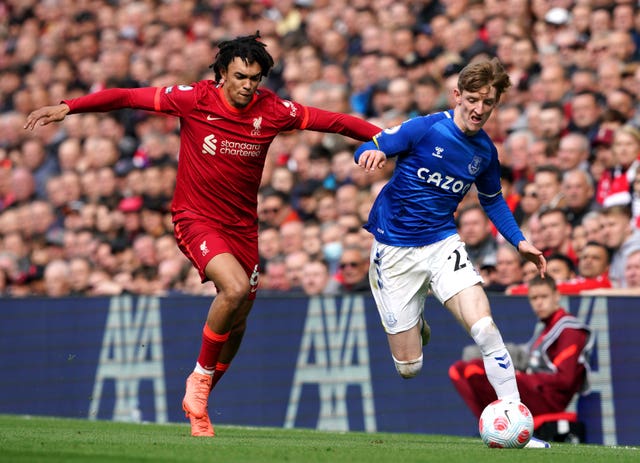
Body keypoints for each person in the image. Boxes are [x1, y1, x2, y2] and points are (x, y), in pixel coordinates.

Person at [25, 32, 381, 437]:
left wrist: (386, 138)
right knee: (232, 289)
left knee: (240, 319)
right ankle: (197, 381)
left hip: (243, 227)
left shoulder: (274, 110)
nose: (249, 85)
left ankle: (201, 398)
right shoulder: (193, 99)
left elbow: (334, 122)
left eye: (256, 78)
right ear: (222, 74)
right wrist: (68, 107)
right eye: (241, 76)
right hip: (195, 218)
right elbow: (125, 96)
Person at [354, 58, 549, 448]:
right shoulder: (426, 128)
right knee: (409, 368)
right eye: (473, 99)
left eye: (488, 103)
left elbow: (493, 201)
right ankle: (419, 318)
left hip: (443, 243)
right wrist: (370, 154)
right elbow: (373, 143)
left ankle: (514, 415)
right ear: (457, 95)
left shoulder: (485, 152)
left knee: (486, 329)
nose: (479, 109)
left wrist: (520, 241)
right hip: (394, 252)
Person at [449, 275, 593, 440]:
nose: (539, 303)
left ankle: (500, 426)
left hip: (549, 399)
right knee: (457, 370)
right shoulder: (544, 328)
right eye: (534, 298)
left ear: (556, 296)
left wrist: (523, 377)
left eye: (544, 296)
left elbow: (565, 379)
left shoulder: (569, 329)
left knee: (475, 369)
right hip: (532, 389)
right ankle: (492, 426)